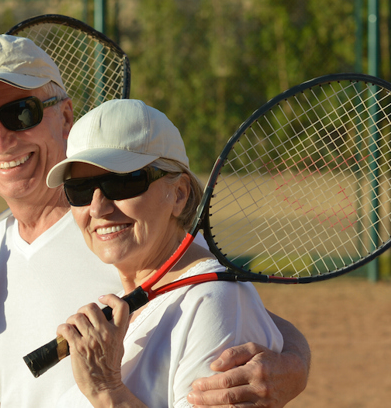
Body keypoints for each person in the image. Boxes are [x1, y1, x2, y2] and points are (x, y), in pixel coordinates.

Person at [0, 33, 310, 408]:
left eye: (20, 113)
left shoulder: (119, 236)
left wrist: (293, 366)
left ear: (65, 115)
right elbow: (0, 398)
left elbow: (223, 301)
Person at [45, 98, 283, 407]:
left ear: (179, 194)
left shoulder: (214, 302)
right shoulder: (133, 295)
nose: (97, 207)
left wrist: (106, 390)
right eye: (79, 188)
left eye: (122, 182)